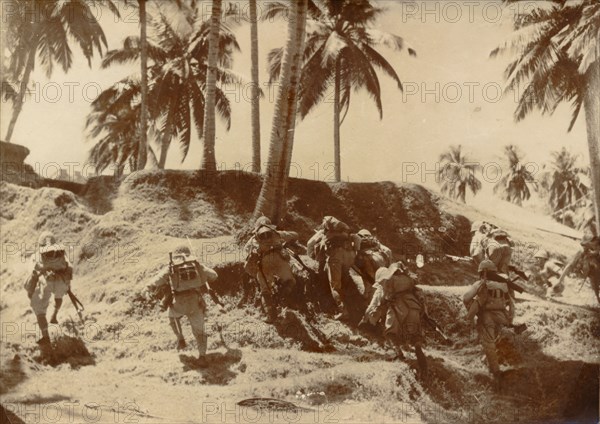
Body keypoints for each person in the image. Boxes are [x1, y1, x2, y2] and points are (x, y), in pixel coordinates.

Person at [146, 245, 218, 367]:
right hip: (195, 303)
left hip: (179, 303)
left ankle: (180, 339)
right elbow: (214, 275)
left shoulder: (172, 267)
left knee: (172, 318)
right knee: (199, 332)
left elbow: (157, 280)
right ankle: (202, 357)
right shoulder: (196, 264)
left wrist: (147, 288)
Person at [359, 261, 428, 380]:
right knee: (416, 338)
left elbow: (374, 304)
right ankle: (424, 370)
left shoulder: (385, 284)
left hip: (398, 307)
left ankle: (399, 354)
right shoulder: (406, 280)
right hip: (413, 307)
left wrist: (365, 318)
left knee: (390, 332)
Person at [464, 259, 516, 388]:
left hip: (487, 317)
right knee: (496, 341)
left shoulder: (481, 283)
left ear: (483, 272)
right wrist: (510, 319)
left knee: (489, 344)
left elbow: (466, 298)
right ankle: (492, 363)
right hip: (502, 316)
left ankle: (496, 375)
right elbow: (512, 302)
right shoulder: (504, 282)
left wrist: (472, 312)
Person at [243, 217, 299, 322]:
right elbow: (295, 235)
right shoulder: (277, 233)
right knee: (290, 281)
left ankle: (271, 316)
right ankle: (281, 298)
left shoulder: (254, 238)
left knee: (265, 291)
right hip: (279, 261)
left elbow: (246, 251)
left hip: (264, 263)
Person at [24, 231, 73, 346]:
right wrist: (67, 284)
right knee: (59, 296)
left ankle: (45, 337)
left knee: (40, 311)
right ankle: (54, 316)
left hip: (46, 283)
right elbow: (69, 267)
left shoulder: (36, 256)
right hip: (61, 282)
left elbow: (33, 273)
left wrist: (31, 289)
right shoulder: (61, 254)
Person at [307, 216, 360, 321]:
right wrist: (355, 250)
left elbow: (310, 243)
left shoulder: (324, 232)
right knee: (344, 278)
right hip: (350, 255)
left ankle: (343, 310)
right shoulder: (346, 232)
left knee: (335, 285)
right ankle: (355, 306)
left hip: (335, 257)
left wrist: (311, 256)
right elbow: (358, 238)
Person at [556, 234, 600, 303]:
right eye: (585, 246)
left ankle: (597, 298)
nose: (586, 247)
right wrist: (560, 281)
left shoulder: (594, 253)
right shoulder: (581, 253)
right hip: (585, 273)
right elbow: (569, 266)